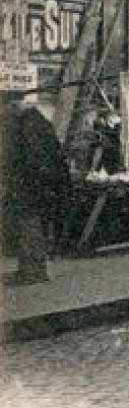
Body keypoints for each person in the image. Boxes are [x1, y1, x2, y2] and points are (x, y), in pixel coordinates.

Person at [2, 90, 69, 286]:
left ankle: (33, 272)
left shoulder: (27, 124)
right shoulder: (35, 121)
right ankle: (30, 269)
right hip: (40, 185)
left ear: (12, 106)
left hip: (33, 186)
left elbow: (30, 159)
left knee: (30, 226)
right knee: (31, 226)